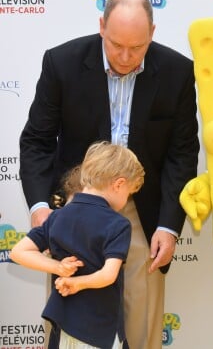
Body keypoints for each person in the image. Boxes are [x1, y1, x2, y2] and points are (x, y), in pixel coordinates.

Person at [20, 0, 200, 349]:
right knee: (71, 302)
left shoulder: (178, 71)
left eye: (138, 47)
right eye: (117, 45)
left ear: (153, 32)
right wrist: (42, 210)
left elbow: (182, 153)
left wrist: (168, 225)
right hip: (75, 206)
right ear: (102, 26)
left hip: (140, 208)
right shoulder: (62, 62)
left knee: (142, 316)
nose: (126, 57)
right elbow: (37, 141)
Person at [11, 141, 145, 348]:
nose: (126, 200)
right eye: (129, 193)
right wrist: (76, 284)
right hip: (100, 328)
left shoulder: (58, 217)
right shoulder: (118, 224)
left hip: (64, 325)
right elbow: (108, 275)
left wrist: (58, 267)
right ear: (118, 184)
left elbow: (18, 252)